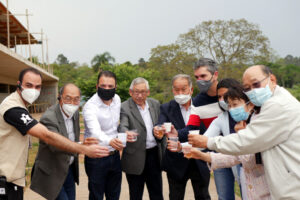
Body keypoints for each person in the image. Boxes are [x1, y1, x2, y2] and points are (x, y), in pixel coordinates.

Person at [189, 65, 300, 199]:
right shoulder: (262, 109)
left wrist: (209, 142)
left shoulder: (277, 105)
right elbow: (243, 154)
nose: (252, 91)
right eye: (247, 88)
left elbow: (246, 142)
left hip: (289, 188)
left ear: (272, 79)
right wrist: (205, 156)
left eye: (256, 84)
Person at [0, 68, 109, 200]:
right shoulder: (13, 109)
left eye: (37, 86)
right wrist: (83, 149)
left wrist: (80, 144)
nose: (33, 90)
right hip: (6, 179)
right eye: (29, 85)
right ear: (19, 84)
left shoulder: (21, 105)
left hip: (15, 178)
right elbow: (46, 135)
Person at [188, 85, 271, 200]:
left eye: (235, 105)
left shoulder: (260, 124)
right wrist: (203, 155)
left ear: (250, 104)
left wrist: (208, 143)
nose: (232, 109)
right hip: (251, 186)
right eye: (230, 106)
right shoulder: (239, 124)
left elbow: (240, 150)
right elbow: (236, 156)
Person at [169, 58, 223, 199]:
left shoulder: (228, 92)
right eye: (197, 77)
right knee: (224, 195)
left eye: (203, 76)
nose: (200, 80)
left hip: (239, 150)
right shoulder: (197, 102)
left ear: (215, 74)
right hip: (219, 156)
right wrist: (176, 134)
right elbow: (191, 128)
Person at [154, 74, 211, 200]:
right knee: (175, 196)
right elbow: (160, 124)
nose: (180, 93)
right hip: (176, 162)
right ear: (172, 90)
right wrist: (157, 130)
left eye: (183, 89)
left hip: (199, 159)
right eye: (176, 90)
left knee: (203, 196)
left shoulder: (202, 107)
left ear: (191, 89)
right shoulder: (166, 107)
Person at [30, 83, 83, 200]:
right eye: (68, 98)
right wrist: (82, 147)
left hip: (68, 169)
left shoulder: (74, 114)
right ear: (60, 97)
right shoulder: (49, 117)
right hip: (52, 172)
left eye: (76, 99)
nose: (72, 103)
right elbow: (56, 145)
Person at [118, 77, 163, 200]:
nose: (139, 95)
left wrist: (160, 131)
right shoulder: (124, 107)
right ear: (130, 92)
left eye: (143, 92)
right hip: (134, 157)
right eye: (136, 92)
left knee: (157, 193)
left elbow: (160, 123)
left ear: (148, 92)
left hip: (154, 155)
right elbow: (123, 125)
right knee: (135, 195)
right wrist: (125, 132)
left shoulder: (155, 104)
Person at [83, 70, 123, 200]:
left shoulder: (117, 99)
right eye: (103, 86)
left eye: (110, 86)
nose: (107, 89)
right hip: (96, 157)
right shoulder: (90, 106)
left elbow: (117, 124)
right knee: (96, 196)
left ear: (115, 87)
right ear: (97, 87)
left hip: (115, 156)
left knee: (114, 195)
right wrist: (111, 140)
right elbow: (95, 131)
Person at [202, 78, 243, 200]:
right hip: (227, 158)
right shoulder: (221, 118)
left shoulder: (253, 115)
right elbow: (204, 139)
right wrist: (180, 146)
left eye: (225, 96)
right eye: (219, 97)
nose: (222, 100)